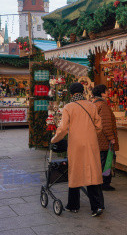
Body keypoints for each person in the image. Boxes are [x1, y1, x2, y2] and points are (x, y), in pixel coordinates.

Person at [51, 83, 105, 217]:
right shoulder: (91, 105)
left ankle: (73, 205)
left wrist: (54, 139)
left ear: (71, 94)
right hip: (91, 143)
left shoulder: (69, 107)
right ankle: (97, 206)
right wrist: (91, 135)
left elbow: (63, 129)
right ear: (82, 92)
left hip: (75, 143)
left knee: (75, 172)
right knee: (92, 171)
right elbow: (99, 126)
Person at [91, 84, 119, 191]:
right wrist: (111, 137)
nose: (107, 93)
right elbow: (106, 123)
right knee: (106, 161)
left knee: (100, 160)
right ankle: (105, 183)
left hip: (97, 137)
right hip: (104, 139)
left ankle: (99, 181)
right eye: (106, 91)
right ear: (102, 93)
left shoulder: (93, 104)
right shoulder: (103, 105)